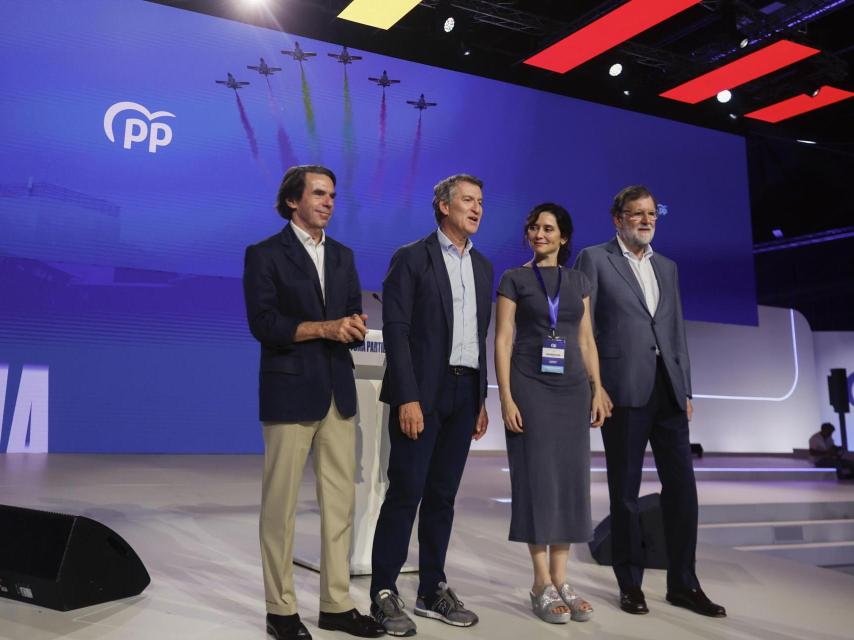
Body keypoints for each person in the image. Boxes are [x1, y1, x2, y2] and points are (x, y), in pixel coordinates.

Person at [243, 165, 384, 640]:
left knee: (340, 504)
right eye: (319, 194)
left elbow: (350, 315)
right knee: (280, 506)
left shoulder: (343, 255)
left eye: (332, 195)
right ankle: (280, 610)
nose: (328, 202)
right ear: (292, 201)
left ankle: (336, 604)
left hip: (337, 393)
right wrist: (327, 328)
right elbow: (264, 324)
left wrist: (355, 327)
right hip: (289, 391)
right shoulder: (264, 254)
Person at [573, 185, 725, 618]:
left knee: (683, 490)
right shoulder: (594, 258)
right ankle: (630, 584)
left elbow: (675, 332)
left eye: (651, 213)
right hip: (622, 390)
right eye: (637, 213)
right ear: (617, 219)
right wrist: (595, 386)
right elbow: (584, 329)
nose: (646, 220)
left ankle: (684, 583)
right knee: (625, 492)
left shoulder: (668, 267)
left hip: (668, 392)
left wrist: (685, 389)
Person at [369, 174, 493, 636]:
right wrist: (407, 395)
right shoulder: (411, 258)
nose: (477, 208)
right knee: (407, 492)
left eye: (480, 202)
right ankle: (383, 591)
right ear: (443, 206)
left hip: (464, 394)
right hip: (422, 394)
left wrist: (480, 398)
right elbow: (397, 330)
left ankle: (431, 589)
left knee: (443, 496)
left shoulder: (482, 266)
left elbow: (477, 337)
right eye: (468, 200)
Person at [494, 203, 609, 624]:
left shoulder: (578, 281)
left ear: (563, 237)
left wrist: (597, 387)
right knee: (538, 480)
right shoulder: (514, 279)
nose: (539, 233)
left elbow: (586, 340)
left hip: (572, 390)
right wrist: (506, 398)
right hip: (530, 387)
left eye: (547, 228)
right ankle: (540, 581)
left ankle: (562, 579)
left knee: (570, 481)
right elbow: (503, 340)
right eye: (533, 227)